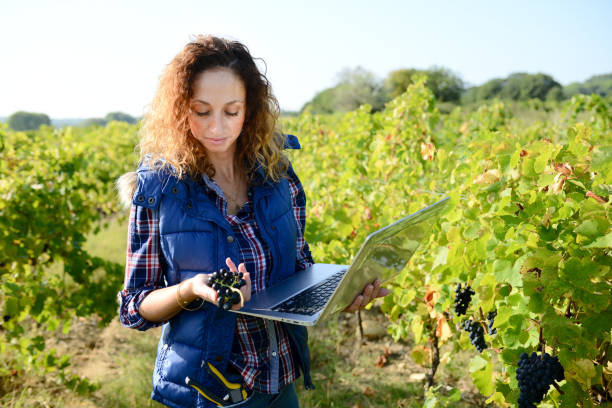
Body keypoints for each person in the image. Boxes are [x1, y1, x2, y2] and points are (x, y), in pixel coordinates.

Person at [117, 35, 389, 408]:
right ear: (180, 110)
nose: (217, 126)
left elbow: (297, 268)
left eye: (231, 111)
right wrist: (190, 289)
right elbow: (134, 307)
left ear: (250, 109)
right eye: (202, 111)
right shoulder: (158, 190)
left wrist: (342, 295)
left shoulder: (277, 174)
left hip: (281, 381)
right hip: (212, 391)